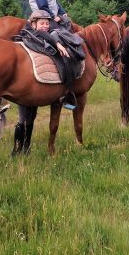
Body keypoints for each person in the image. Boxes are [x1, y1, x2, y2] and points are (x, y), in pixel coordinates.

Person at [12, 10, 84, 155]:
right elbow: (43, 34)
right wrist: (57, 44)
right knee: (24, 119)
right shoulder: (40, 34)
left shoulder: (46, 33)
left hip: (30, 90)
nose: (45, 26)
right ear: (33, 24)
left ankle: (23, 149)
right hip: (28, 85)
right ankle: (17, 150)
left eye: (47, 23)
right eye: (42, 23)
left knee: (29, 118)